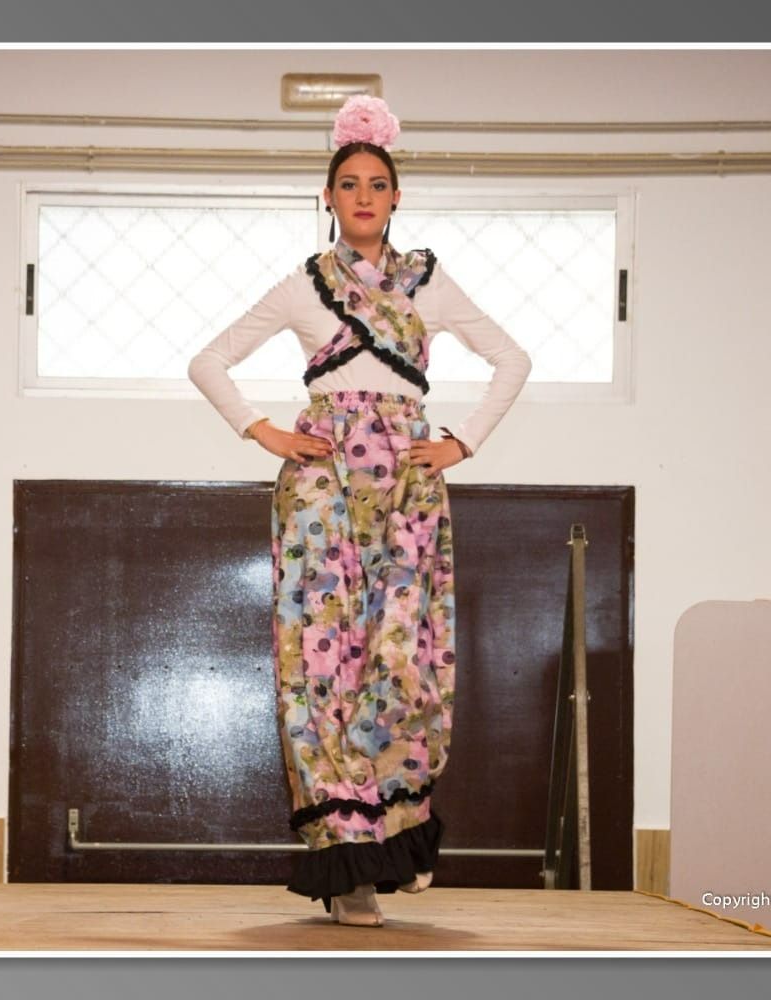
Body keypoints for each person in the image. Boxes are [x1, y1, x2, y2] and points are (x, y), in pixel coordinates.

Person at [187, 95, 531, 927]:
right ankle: (350, 868)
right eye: (350, 185)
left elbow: (512, 360)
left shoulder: (428, 282)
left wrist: (461, 442)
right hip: (324, 487)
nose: (365, 197)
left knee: (403, 659)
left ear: (396, 197)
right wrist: (264, 430)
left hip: (409, 485)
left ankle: (396, 831)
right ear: (331, 198)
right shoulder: (306, 286)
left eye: (379, 184)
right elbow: (209, 361)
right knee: (323, 659)